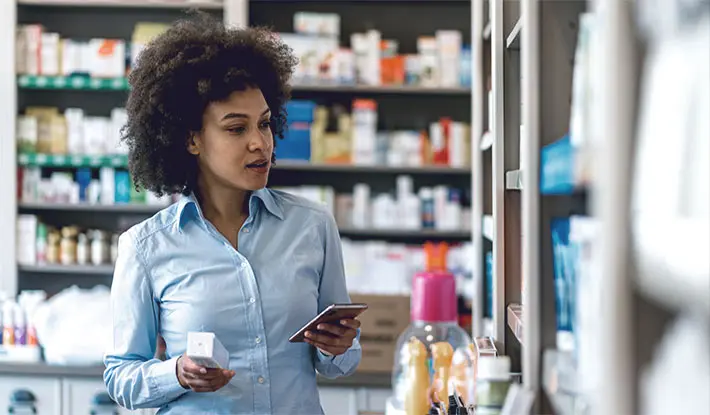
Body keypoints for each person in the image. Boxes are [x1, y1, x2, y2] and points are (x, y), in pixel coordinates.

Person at [103, 14, 362, 414]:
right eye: (236, 128)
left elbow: (342, 361)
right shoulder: (146, 247)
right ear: (191, 139)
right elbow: (120, 376)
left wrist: (338, 347)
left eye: (264, 124)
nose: (260, 144)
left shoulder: (312, 226)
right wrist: (177, 374)